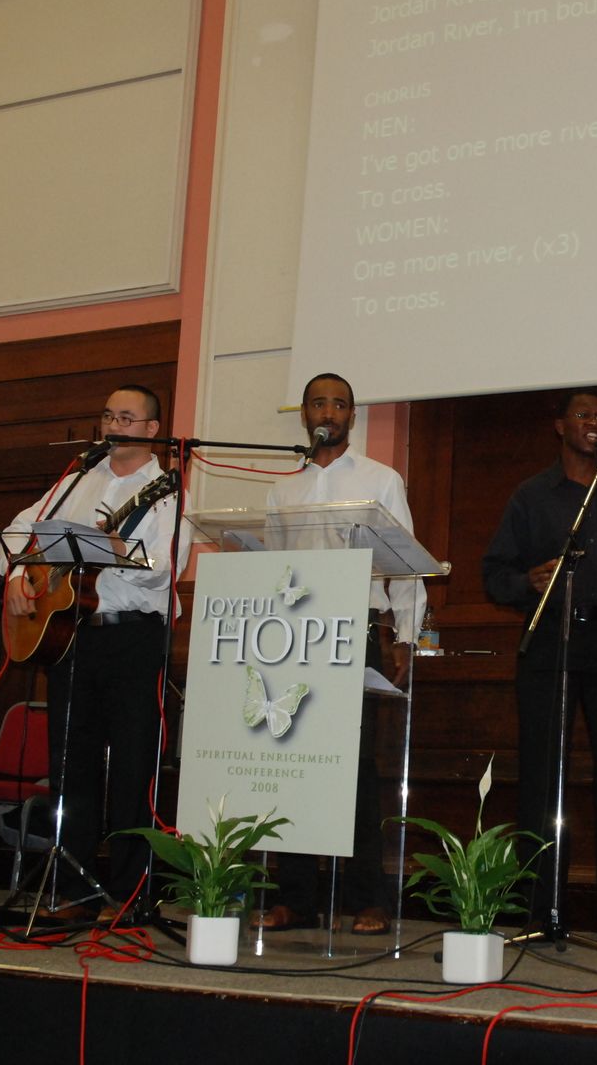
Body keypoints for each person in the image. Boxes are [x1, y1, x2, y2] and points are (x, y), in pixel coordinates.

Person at [481, 391, 597, 946]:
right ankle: (540, 910)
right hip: (547, 641)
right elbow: (494, 574)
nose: (596, 424)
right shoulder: (531, 496)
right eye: (585, 416)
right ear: (559, 426)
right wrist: (527, 582)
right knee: (541, 778)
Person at [0, 385, 191, 921]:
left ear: (152, 430)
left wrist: (112, 552)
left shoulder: (165, 492)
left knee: (134, 766)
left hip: (133, 638)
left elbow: (164, 568)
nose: (113, 425)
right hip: (72, 638)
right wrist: (17, 576)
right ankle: (74, 892)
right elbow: (17, 529)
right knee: (71, 764)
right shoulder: (78, 479)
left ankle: (130, 895)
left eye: (126, 417)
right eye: (108, 415)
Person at [253, 372, 425, 934]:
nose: (328, 412)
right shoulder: (283, 490)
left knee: (355, 767)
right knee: (293, 763)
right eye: (318, 403)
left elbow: (407, 563)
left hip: (356, 628)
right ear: (304, 414)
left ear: (352, 416)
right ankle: (297, 897)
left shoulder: (381, 479)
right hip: (296, 635)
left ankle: (367, 897)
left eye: (340, 404)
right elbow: (273, 567)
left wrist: (406, 635)